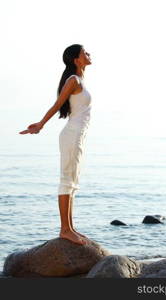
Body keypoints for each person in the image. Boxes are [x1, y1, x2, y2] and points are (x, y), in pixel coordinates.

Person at [19, 44, 92, 245]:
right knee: (66, 180)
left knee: (73, 182)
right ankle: (65, 230)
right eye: (85, 52)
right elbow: (57, 104)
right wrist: (40, 124)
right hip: (72, 135)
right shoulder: (73, 80)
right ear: (76, 59)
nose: (89, 54)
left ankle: (70, 227)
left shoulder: (81, 80)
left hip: (79, 136)